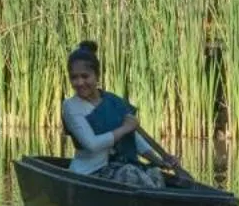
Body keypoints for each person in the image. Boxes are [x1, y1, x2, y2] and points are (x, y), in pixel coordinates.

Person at [60, 40, 169, 189]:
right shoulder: (70, 106)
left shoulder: (113, 102)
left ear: (97, 76)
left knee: (154, 173)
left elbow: (133, 138)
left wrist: (159, 162)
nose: (79, 83)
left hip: (117, 166)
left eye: (85, 76)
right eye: (74, 77)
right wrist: (125, 128)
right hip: (88, 173)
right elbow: (92, 145)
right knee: (130, 173)